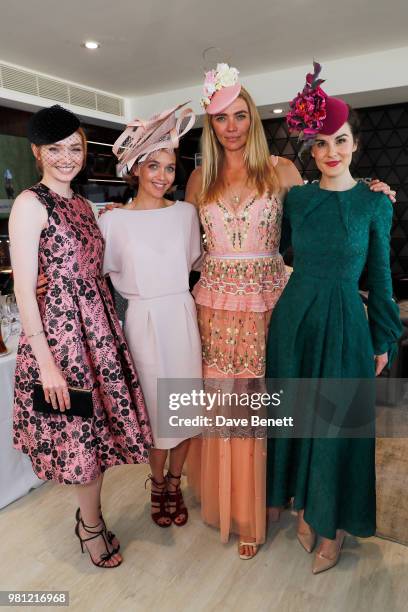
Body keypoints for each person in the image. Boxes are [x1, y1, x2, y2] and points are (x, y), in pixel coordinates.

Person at [185, 63, 397, 561]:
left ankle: (304, 514)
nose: (231, 126)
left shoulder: (284, 174)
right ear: (210, 125)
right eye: (220, 118)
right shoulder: (214, 179)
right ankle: (251, 506)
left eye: (241, 115)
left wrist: (374, 190)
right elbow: (186, 247)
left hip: (291, 308)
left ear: (254, 119)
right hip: (248, 313)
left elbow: (340, 214)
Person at [265, 63, 403, 573]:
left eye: (340, 141)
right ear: (311, 150)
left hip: (347, 320)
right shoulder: (297, 199)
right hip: (295, 320)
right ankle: (304, 506)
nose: (331, 152)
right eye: (321, 144)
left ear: (355, 144)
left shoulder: (375, 202)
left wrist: (383, 335)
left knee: (339, 427)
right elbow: (270, 251)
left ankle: (335, 525)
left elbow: (382, 277)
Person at [9, 105, 152, 569]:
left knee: (98, 436)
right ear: (37, 153)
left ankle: (89, 518)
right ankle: (90, 525)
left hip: (97, 332)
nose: (67, 157)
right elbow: (23, 288)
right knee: (80, 441)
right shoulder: (30, 203)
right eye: (56, 149)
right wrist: (47, 363)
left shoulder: (80, 203)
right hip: (62, 341)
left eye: (75, 148)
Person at [98, 103, 202, 528]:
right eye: (154, 166)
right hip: (141, 324)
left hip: (181, 316)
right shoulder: (113, 222)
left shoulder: (186, 215)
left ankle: (175, 483)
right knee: (158, 414)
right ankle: (157, 483)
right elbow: (96, 275)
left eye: (170, 168)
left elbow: (194, 264)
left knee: (186, 412)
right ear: (137, 168)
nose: (163, 176)